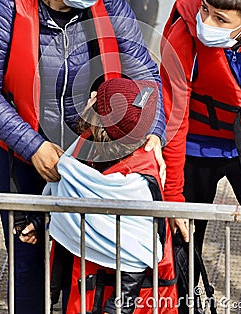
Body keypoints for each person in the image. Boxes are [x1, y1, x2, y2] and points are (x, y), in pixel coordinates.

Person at [0, 0, 166, 314]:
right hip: (23, 157)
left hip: (93, 157)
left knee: (89, 255)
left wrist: (153, 131)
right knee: (28, 263)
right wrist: (33, 146)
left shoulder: (107, 0)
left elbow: (143, 73)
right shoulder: (8, 8)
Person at [20, 78, 178, 314]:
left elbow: (138, 250)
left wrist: (118, 307)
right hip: (85, 288)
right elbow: (69, 201)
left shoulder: (135, 181)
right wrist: (41, 220)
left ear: (99, 124)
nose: (92, 93)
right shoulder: (86, 149)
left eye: (97, 98)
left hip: (124, 301)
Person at [160, 0, 241, 272]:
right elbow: (173, 121)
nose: (205, 22)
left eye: (220, 19)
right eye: (204, 10)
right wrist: (173, 194)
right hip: (193, 146)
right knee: (183, 246)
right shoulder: (183, 36)